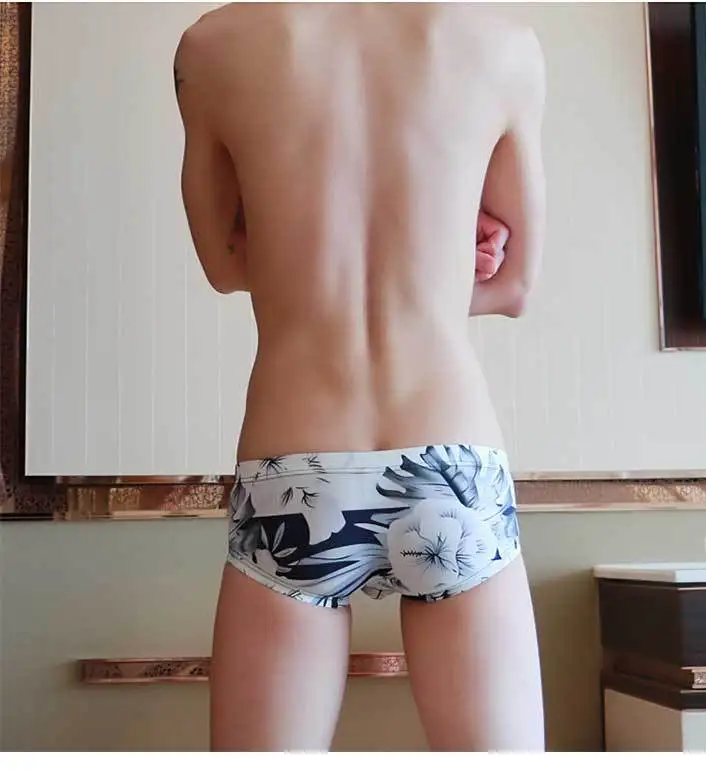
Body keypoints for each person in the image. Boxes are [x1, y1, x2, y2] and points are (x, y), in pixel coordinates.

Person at [174, 2, 546, 752]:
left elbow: (225, 265)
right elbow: (512, 288)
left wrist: (300, 261)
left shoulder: (212, 46)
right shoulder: (503, 44)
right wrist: (437, 269)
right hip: (451, 462)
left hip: (292, 466)